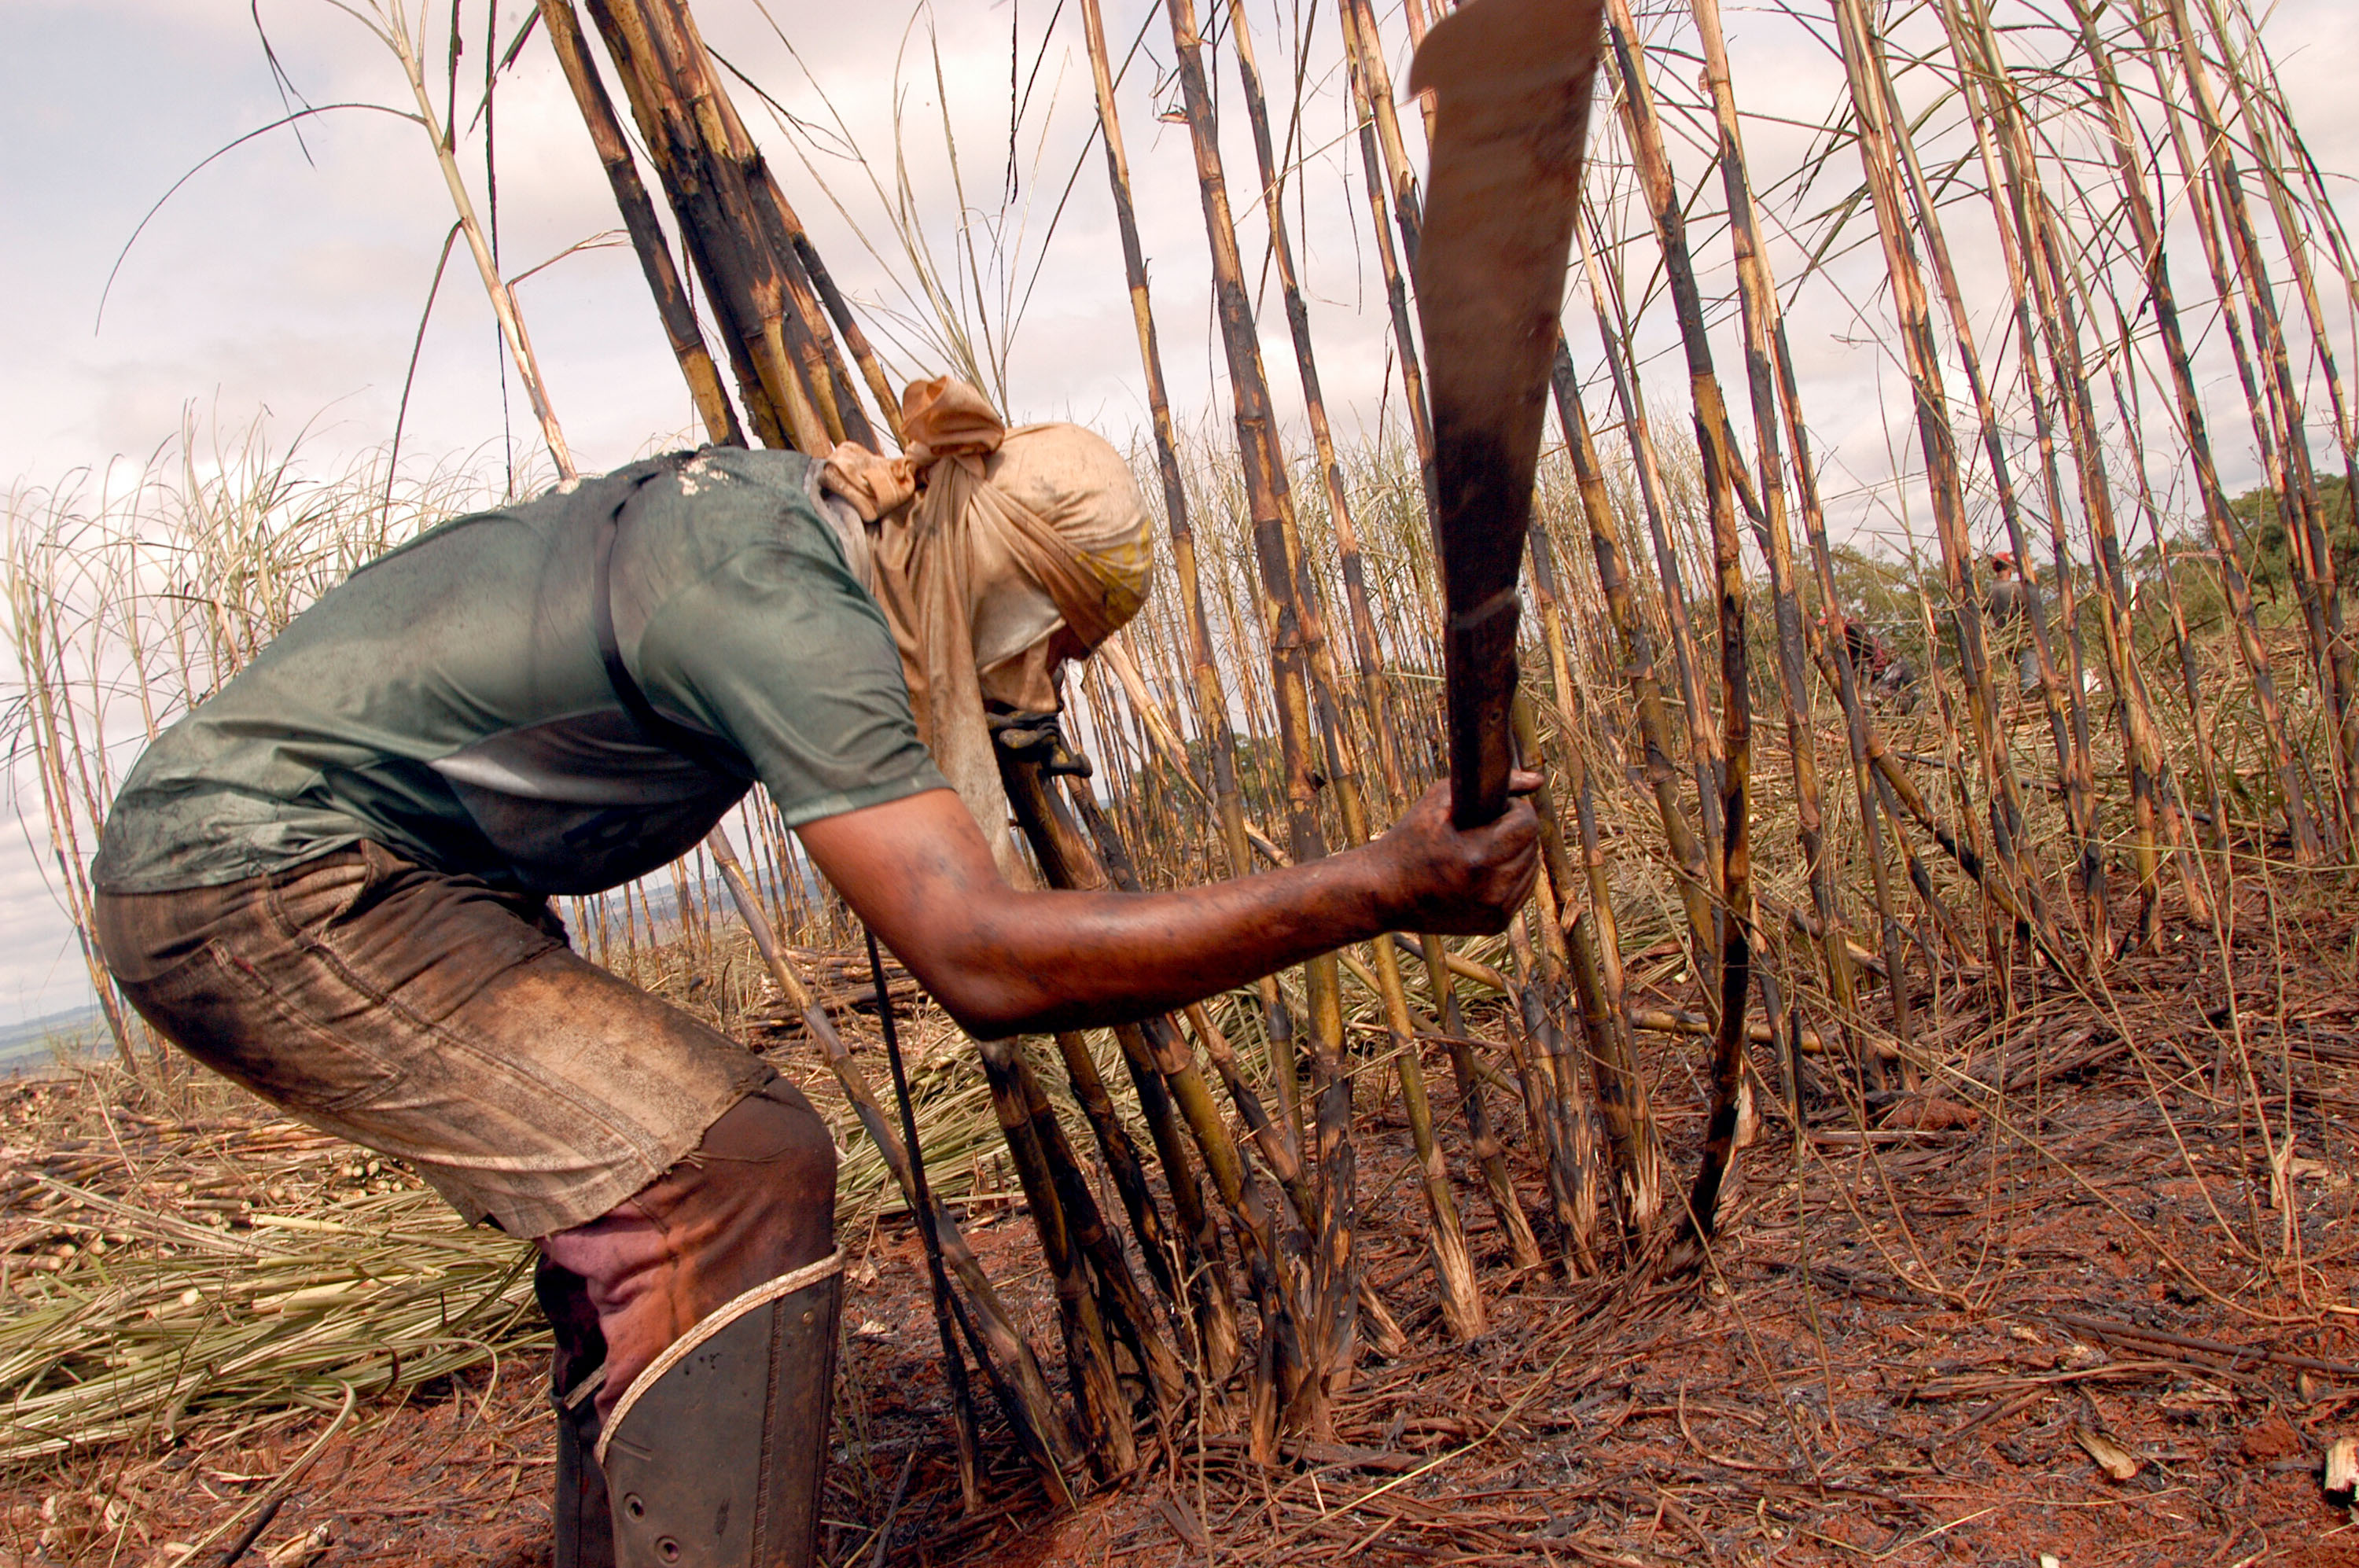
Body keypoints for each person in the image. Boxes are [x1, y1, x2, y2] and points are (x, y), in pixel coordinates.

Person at [88, 378, 1539, 1568]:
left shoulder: (790, 531)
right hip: (257, 875)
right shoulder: (782, 593)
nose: (1043, 694)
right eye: (1047, 652)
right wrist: (1371, 885)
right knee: (726, 1173)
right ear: (994, 589)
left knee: (636, 1231)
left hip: (364, 869)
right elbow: (978, 954)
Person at [1985, 550, 2042, 694]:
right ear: (2009, 567)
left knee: (2023, 668)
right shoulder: (2015, 588)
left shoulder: (1991, 591)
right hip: (2021, 637)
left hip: (2005, 640)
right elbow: (2030, 609)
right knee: (2030, 675)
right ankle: (2030, 695)